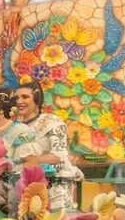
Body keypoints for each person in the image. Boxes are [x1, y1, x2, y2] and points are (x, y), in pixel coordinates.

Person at [5, 81, 82, 209]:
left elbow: (59, 156)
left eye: (25, 97)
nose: (19, 101)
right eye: (17, 98)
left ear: (37, 99)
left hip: (55, 188)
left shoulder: (51, 122)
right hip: (25, 191)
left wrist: (29, 162)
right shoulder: (15, 127)